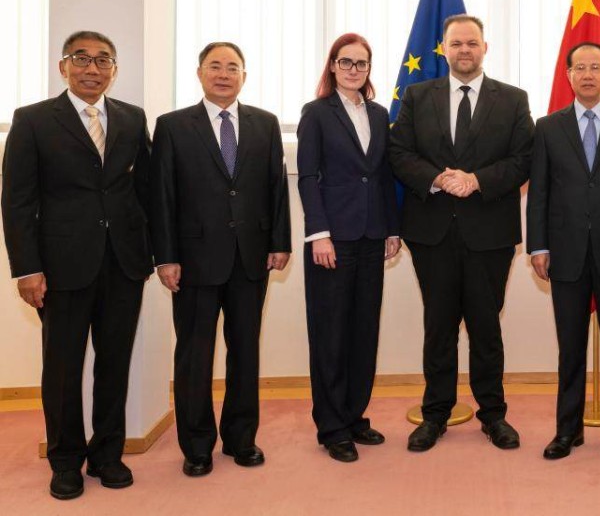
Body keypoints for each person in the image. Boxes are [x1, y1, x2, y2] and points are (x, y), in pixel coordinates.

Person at [1, 31, 152, 500]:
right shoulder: (32, 121)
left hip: (123, 263)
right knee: (62, 367)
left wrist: (151, 253)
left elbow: (146, 192)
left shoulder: (131, 118)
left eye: (103, 60)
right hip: (61, 266)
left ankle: (108, 454)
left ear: (114, 69)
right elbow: (17, 201)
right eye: (81, 59)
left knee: (114, 363)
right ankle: (65, 461)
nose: (93, 68)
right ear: (62, 66)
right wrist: (27, 268)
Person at [389, 14, 534, 452]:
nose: (464, 50)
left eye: (472, 43)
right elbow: (398, 151)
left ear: (485, 48)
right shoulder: (417, 96)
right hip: (431, 232)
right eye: (456, 44)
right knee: (439, 327)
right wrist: (438, 179)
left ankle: (494, 416)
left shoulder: (512, 99)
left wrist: (477, 180)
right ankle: (436, 414)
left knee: (486, 329)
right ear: (444, 49)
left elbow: (524, 157)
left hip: (489, 231)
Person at [150, 42, 291, 477]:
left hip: (250, 258)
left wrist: (279, 242)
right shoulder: (173, 126)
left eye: (233, 67)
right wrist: (166, 257)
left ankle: (241, 439)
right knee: (194, 354)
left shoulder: (265, 124)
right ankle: (196, 446)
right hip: (192, 261)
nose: (224, 74)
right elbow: (162, 196)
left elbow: (276, 187)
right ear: (199, 73)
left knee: (245, 351)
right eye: (215, 66)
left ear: (244, 76)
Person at [526, 42, 600, 463]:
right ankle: (567, 430)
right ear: (569, 75)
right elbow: (538, 192)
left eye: (597, 67)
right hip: (565, 252)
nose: (589, 74)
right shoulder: (548, 126)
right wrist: (537, 245)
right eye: (581, 67)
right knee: (570, 347)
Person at [297, 33, 400, 463]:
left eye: (362, 63)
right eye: (346, 62)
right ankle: (331, 425)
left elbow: (383, 175)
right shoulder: (317, 113)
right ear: (333, 66)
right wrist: (319, 234)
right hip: (332, 241)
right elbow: (307, 176)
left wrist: (392, 228)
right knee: (331, 334)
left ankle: (355, 415)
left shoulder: (379, 114)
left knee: (363, 330)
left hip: (372, 236)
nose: (354, 69)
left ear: (369, 69)